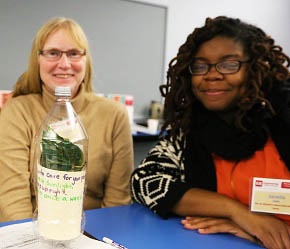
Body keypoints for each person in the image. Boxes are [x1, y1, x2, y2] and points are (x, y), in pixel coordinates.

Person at [131, 16, 290, 249]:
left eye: (229, 64)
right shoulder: (190, 131)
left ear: (255, 67)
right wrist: (238, 214)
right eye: (200, 65)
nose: (212, 75)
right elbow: (145, 181)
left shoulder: (283, 121)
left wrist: (260, 232)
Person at [0, 17, 134, 222]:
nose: (64, 64)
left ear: (85, 60)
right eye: (53, 53)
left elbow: (117, 203)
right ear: (38, 60)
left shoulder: (115, 115)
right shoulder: (17, 111)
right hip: (35, 231)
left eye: (73, 53)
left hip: (93, 232)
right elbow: (13, 202)